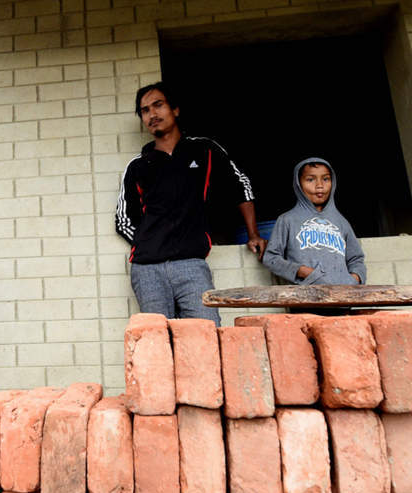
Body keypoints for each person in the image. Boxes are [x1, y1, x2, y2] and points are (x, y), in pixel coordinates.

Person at [114, 82, 266, 324]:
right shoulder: (138, 166)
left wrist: (253, 233)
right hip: (147, 270)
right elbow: (123, 219)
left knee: (207, 332)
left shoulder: (204, 150)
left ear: (175, 109)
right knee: (159, 340)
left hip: (191, 264)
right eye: (145, 110)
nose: (152, 114)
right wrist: (151, 243)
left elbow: (240, 185)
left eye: (158, 105)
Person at [262, 157, 366, 285]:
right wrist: (303, 272)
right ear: (298, 184)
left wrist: (353, 280)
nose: (320, 186)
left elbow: (356, 258)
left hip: (342, 298)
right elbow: (271, 258)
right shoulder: (287, 220)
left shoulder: (341, 222)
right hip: (305, 298)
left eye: (326, 179)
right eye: (310, 179)